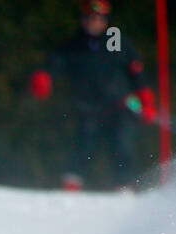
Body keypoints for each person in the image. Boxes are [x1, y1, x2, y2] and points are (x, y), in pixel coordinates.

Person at [28, 0, 156, 190]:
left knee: (122, 145)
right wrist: (44, 77)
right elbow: (55, 63)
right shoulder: (74, 46)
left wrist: (145, 99)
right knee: (85, 144)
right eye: (90, 18)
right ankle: (72, 183)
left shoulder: (116, 41)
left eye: (99, 18)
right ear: (83, 19)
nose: (94, 22)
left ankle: (125, 186)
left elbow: (136, 71)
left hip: (119, 106)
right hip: (89, 108)